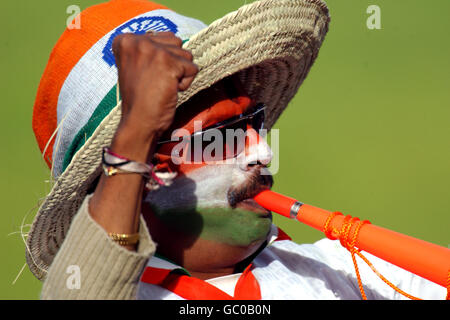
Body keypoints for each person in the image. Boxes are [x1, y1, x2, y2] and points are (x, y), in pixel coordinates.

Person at [28, 0, 445, 300]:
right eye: (220, 134)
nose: (262, 151)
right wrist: (135, 131)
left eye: (253, 123)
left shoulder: (352, 274)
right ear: (149, 172)